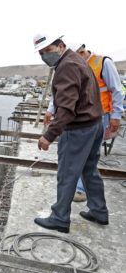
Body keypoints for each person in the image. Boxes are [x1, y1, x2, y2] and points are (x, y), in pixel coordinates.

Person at [32, 33, 108, 233]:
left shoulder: (66, 66)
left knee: (67, 173)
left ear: (60, 46)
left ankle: (59, 218)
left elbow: (66, 108)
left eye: (47, 50)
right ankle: (99, 211)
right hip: (94, 123)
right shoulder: (77, 60)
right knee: (89, 170)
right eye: (40, 53)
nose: (44, 55)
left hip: (79, 129)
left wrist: (49, 135)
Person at [44, 43, 125, 202]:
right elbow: (60, 93)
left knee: (82, 158)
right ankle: (96, 207)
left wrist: (116, 115)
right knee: (87, 160)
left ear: (81, 51)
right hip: (79, 117)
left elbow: (117, 90)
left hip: (98, 116)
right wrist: (51, 109)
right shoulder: (68, 65)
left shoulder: (102, 63)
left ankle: (79, 192)